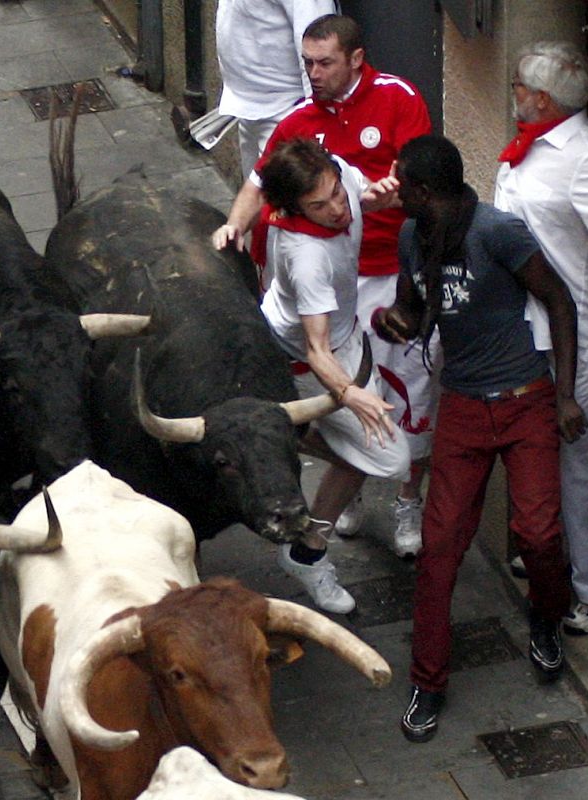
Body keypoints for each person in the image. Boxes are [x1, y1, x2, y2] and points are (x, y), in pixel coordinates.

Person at [373, 134, 587, 743]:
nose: (395, 188)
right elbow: (413, 307)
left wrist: (565, 394)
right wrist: (396, 321)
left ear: (424, 190)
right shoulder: (413, 236)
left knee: (538, 534)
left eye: (402, 181)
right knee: (439, 549)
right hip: (464, 406)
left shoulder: (497, 232)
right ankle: (427, 682)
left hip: (525, 400)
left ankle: (545, 616)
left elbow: (560, 302)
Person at [213, 14, 434, 559]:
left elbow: (414, 180)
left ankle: (408, 499)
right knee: (344, 398)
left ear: (356, 59)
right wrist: (234, 224)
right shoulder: (298, 123)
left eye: (324, 62)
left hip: (388, 275)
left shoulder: (398, 99)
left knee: (409, 391)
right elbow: (257, 183)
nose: (312, 73)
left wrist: (386, 195)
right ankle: (347, 490)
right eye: (307, 62)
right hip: (331, 296)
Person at [257, 137, 411, 613]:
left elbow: (358, 195)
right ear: (294, 210)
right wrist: (349, 394)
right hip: (311, 359)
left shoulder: (338, 171)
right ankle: (287, 431)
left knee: (359, 457)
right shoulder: (306, 258)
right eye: (319, 206)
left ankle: (307, 551)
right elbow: (316, 350)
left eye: (337, 194)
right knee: (388, 459)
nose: (337, 209)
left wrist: (373, 196)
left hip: (349, 339)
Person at [494, 41, 588, 636]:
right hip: (520, 326)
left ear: (542, 98)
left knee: (577, 457)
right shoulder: (527, 148)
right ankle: (543, 554)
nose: (512, 94)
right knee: (532, 442)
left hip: (573, 330)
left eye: (517, 86)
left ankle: (587, 588)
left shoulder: (583, 158)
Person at [216, 0, 340, 179]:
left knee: (282, 192)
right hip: (246, 106)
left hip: (286, 109)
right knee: (253, 191)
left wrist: (315, 120)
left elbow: (321, 48)